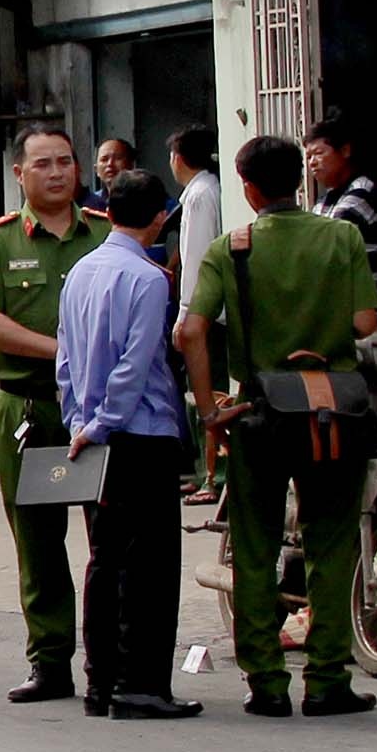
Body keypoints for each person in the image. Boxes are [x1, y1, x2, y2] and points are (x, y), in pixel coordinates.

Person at [180, 136, 377, 718]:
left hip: (260, 415)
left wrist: (208, 410)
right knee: (331, 541)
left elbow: (190, 332)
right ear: (301, 181)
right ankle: (326, 680)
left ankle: (266, 683)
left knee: (255, 546)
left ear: (247, 189)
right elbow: (365, 320)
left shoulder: (232, 248)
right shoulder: (341, 236)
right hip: (332, 412)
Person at [0, 123, 110, 704]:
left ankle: (111, 658)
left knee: (111, 539)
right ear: (19, 174)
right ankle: (50, 661)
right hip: (32, 412)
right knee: (40, 542)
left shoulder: (104, 235)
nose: (57, 173)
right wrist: (63, 351)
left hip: (101, 416)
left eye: (66, 162)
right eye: (43, 164)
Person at [57, 170, 201, 719]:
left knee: (104, 559)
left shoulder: (80, 272)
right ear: (160, 218)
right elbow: (137, 364)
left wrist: (80, 421)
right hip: (138, 436)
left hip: (91, 436)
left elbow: (65, 359)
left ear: (108, 211)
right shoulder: (148, 279)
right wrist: (103, 422)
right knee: (151, 564)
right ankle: (140, 683)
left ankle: (101, 684)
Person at [167, 125, 223, 504]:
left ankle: (212, 476)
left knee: (205, 392)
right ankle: (207, 473)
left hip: (205, 312)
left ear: (179, 158)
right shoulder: (204, 191)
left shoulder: (200, 196)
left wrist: (186, 313)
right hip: (210, 309)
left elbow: (197, 260)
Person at [304, 110, 377, 333]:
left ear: (345, 151)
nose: (312, 163)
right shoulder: (324, 201)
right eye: (308, 157)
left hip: (374, 316)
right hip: (342, 318)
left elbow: (329, 243)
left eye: (318, 153)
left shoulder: (363, 191)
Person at [82, 139, 137, 212]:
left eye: (118, 158)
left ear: (131, 165)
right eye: (104, 159)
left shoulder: (144, 198)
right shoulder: (90, 204)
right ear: (96, 169)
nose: (110, 164)